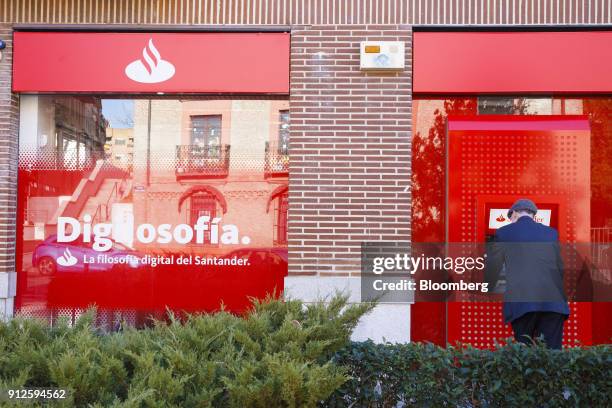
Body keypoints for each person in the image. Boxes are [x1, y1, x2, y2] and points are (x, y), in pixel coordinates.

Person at [485, 199, 569, 349]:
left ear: (515, 214)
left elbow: (493, 266)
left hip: (523, 302)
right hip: (553, 303)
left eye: (510, 218)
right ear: (533, 215)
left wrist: (487, 287)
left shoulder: (503, 233)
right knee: (553, 354)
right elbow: (559, 268)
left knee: (524, 352)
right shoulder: (551, 233)